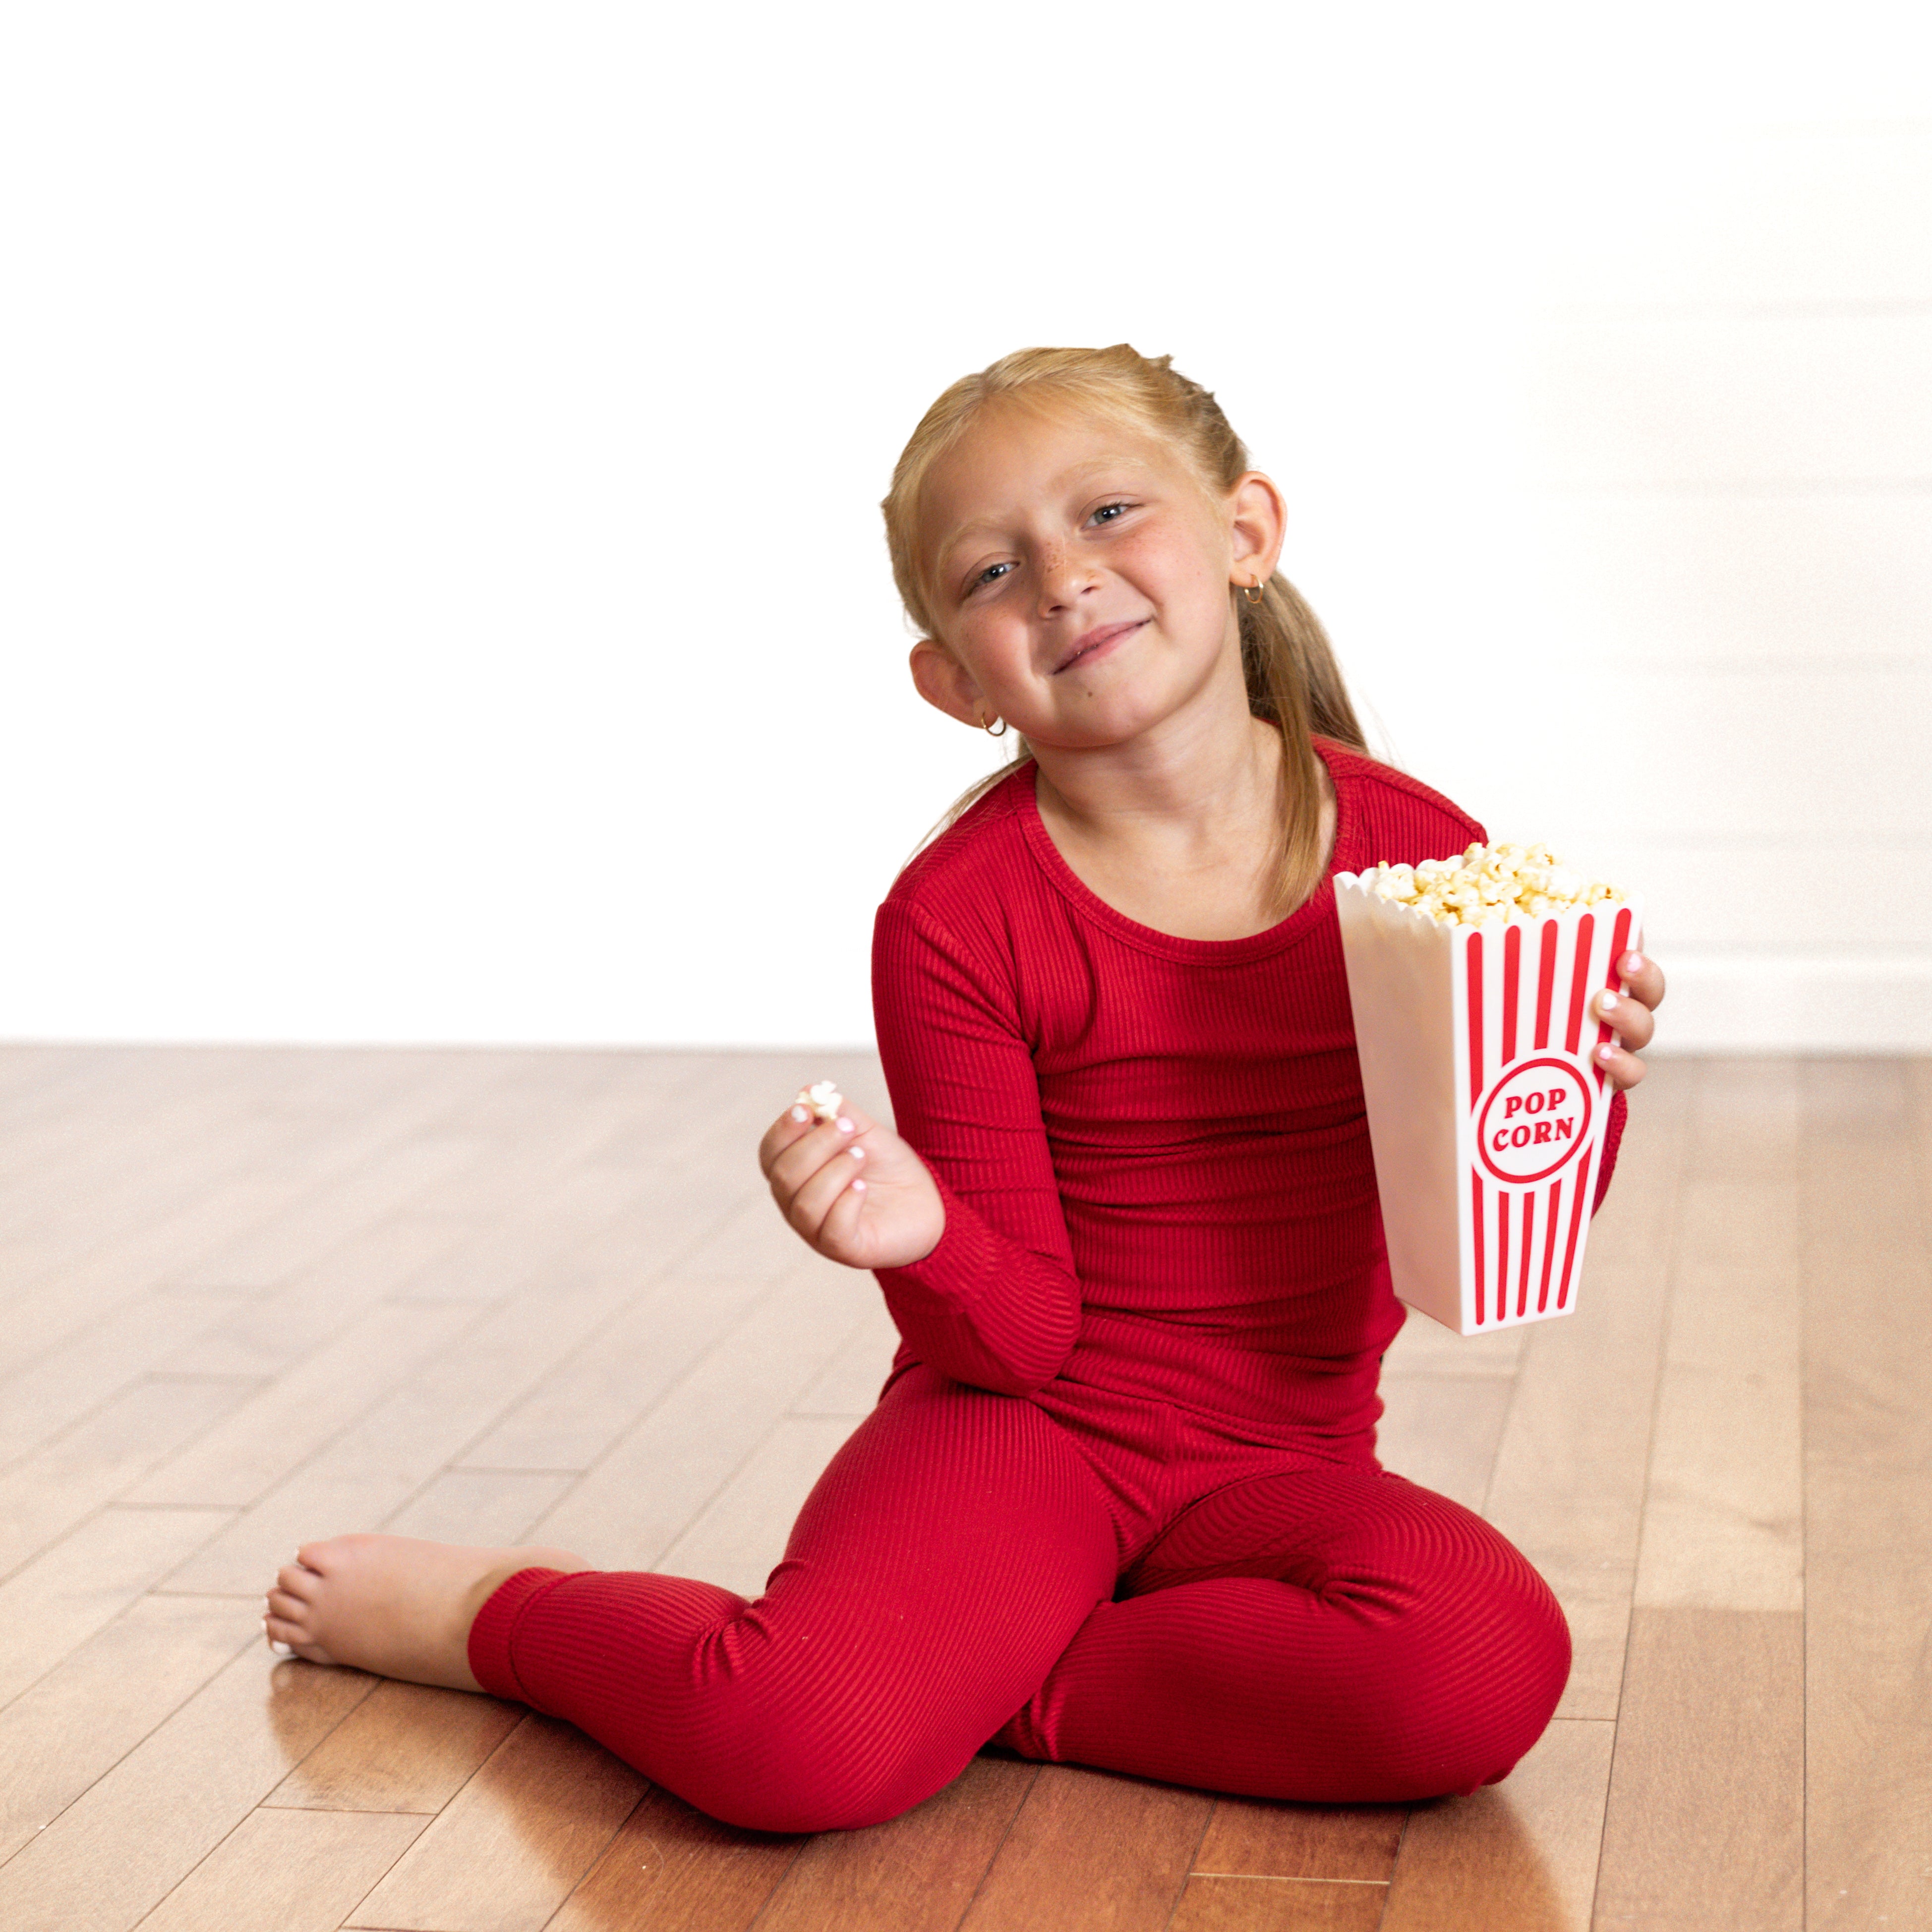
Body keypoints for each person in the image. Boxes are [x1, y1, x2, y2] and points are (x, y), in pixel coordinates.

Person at [263, 345, 1664, 1835]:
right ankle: (496, 1613)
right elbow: (1018, 1336)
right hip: (1022, 1433)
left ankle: (982, 1680)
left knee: (1476, 1666)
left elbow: (1475, 1224)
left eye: (1109, 513)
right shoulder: (956, 915)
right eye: (994, 571)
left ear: (1245, 532)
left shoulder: (1421, 856)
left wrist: (1580, 1081)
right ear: (954, 681)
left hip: (1285, 1457)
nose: (1064, 580)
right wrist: (922, 1234)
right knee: (790, 1746)